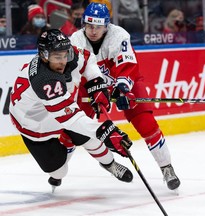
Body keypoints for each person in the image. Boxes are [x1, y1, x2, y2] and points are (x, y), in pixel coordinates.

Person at [70, 3, 180, 190]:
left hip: (125, 82)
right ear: (83, 24)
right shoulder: (76, 40)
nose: (93, 31)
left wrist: (122, 89)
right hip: (90, 87)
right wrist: (95, 90)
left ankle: (166, 167)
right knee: (76, 128)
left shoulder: (119, 35)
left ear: (107, 25)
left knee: (146, 123)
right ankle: (108, 163)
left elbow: (127, 66)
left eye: (98, 26)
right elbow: (75, 72)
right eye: (89, 25)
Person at [9, 29, 134, 191]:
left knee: (91, 137)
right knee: (60, 171)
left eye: (65, 55)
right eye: (57, 57)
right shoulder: (45, 80)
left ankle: (110, 165)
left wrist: (96, 82)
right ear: (43, 56)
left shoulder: (66, 54)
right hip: (34, 126)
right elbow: (70, 118)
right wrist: (105, 131)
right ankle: (60, 160)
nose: (63, 61)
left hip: (58, 113)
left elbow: (88, 59)